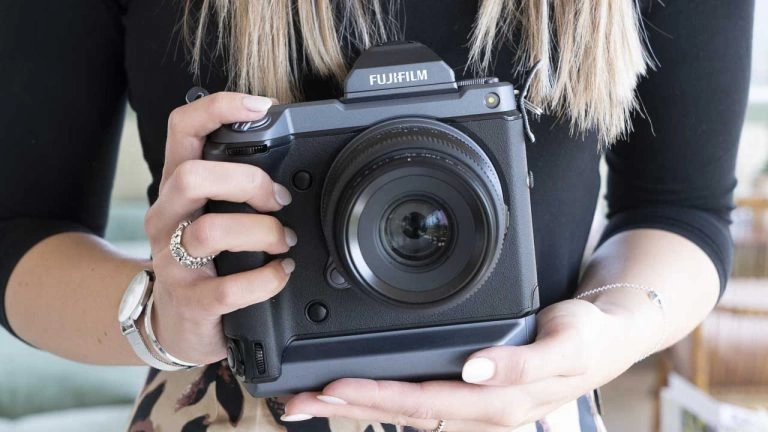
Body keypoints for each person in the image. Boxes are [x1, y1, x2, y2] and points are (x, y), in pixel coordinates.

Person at [0, 0, 754, 431]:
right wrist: (160, 319)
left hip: (526, 405)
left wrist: (612, 330)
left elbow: (681, 210)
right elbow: (20, 233)